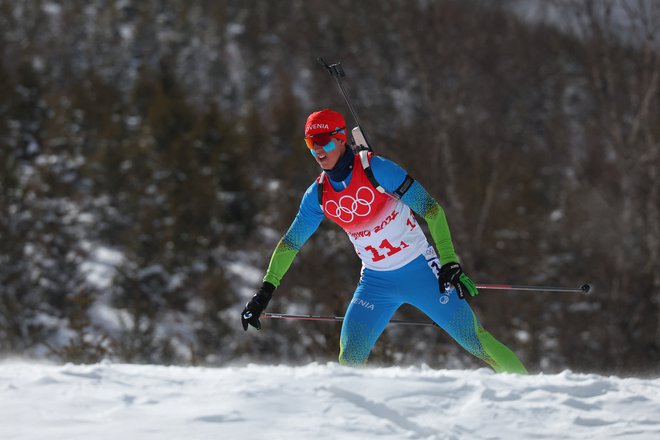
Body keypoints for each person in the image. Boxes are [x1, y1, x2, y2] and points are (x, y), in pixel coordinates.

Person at [241, 109, 527, 373]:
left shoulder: (378, 170)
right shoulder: (318, 195)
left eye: (324, 141)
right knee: (349, 359)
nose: (317, 150)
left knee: (477, 342)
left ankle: (534, 396)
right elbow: (291, 243)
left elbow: (432, 210)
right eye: (310, 143)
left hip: (422, 272)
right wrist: (264, 293)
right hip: (375, 284)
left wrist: (449, 261)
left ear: (341, 139)